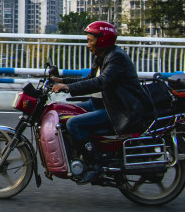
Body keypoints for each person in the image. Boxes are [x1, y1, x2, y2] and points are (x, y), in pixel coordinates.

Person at [51, 21, 151, 182]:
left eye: (90, 40)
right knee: (66, 111)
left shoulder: (116, 58)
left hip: (119, 109)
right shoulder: (101, 56)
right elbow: (90, 78)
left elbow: (100, 82)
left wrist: (68, 88)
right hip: (105, 102)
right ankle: (81, 153)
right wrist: (61, 80)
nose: (88, 44)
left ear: (102, 40)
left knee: (73, 124)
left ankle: (95, 165)